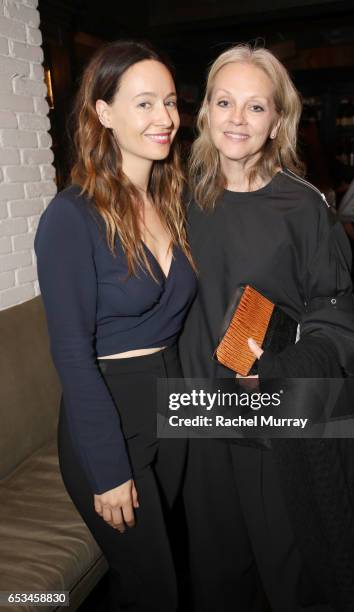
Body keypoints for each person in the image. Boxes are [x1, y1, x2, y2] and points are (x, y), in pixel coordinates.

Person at [179, 44, 354, 612]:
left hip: (270, 420)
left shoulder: (303, 208)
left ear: (278, 119)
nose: (236, 118)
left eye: (256, 107)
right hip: (193, 418)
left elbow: (341, 324)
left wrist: (278, 372)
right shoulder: (172, 196)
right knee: (217, 577)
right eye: (224, 101)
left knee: (290, 578)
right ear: (204, 111)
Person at [35, 40, 196, 611]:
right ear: (103, 113)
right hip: (109, 421)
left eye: (171, 102)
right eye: (145, 103)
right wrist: (107, 469)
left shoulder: (172, 201)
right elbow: (72, 354)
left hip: (172, 407)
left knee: (145, 581)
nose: (165, 119)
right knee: (158, 590)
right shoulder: (71, 216)